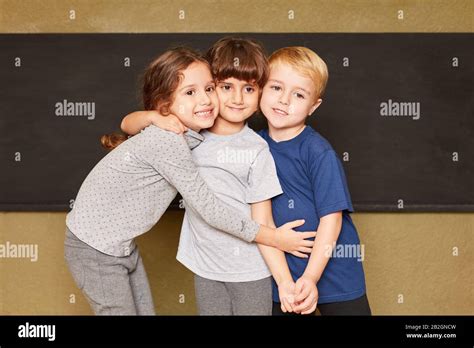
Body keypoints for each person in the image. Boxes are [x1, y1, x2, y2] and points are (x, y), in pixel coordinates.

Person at [64, 47, 315, 315]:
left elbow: (128, 123)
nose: (205, 100)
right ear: (165, 105)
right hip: (93, 248)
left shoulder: (192, 132)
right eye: (190, 92)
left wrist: (151, 116)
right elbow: (209, 209)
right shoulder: (168, 140)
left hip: (119, 246)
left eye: (209, 89)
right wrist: (275, 237)